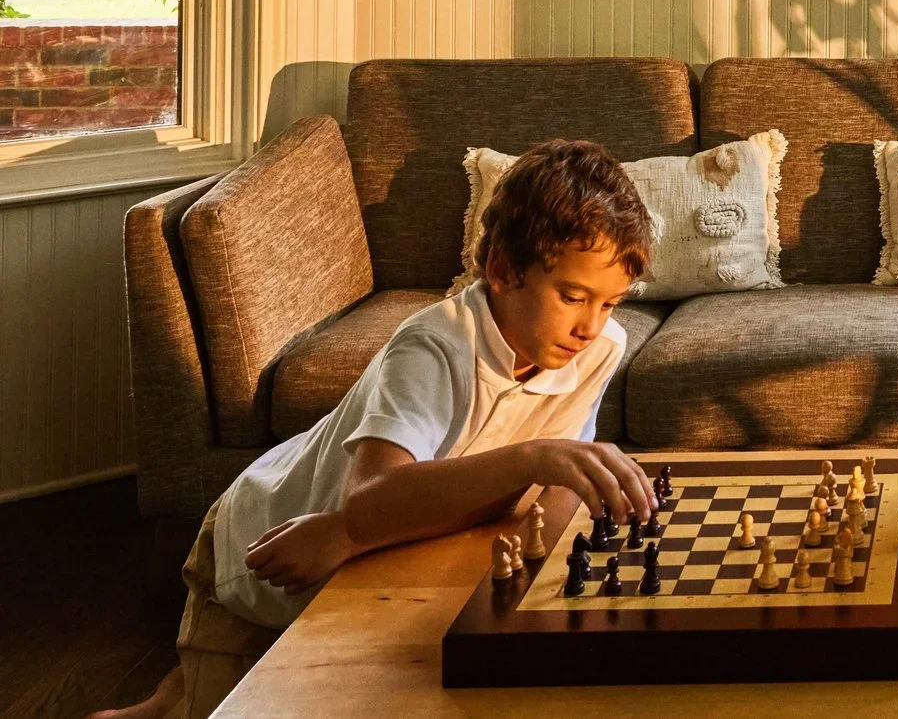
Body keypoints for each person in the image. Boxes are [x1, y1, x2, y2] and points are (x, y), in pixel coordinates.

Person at [93, 140, 660, 719]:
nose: (591, 325)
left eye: (610, 303)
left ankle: (174, 692)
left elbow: (549, 483)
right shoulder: (437, 346)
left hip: (369, 549)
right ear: (501, 271)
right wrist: (528, 460)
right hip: (265, 543)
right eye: (572, 297)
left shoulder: (597, 348)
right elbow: (372, 499)